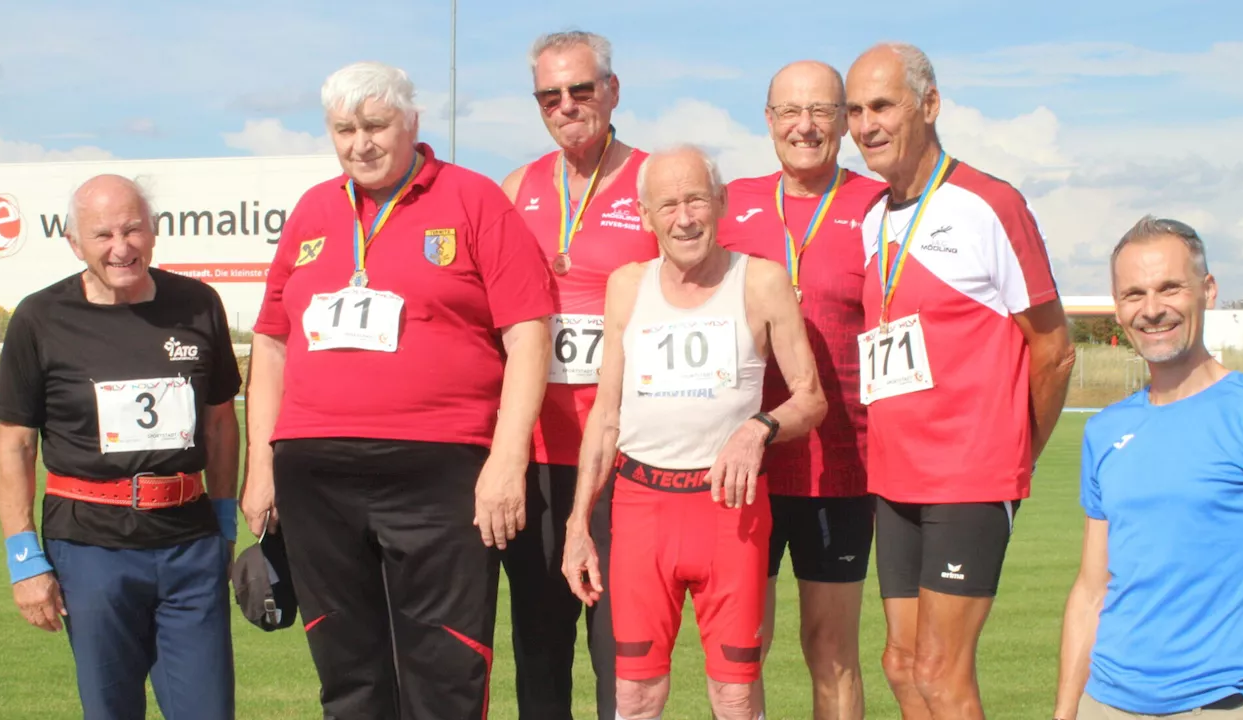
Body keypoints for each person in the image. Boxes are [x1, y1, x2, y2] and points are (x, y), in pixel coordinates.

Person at [239, 61, 555, 719]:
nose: (361, 143)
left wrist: (506, 459)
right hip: (315, 473)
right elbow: (270, 342)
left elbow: (528, 335)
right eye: (343, 129)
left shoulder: (472, 200)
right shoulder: (313, 210)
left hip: (439, 470)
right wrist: (261, 466)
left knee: (445, 670)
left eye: (376, 125)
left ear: (412, 122)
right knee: (348, 674)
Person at [845, 43, 1076, 719]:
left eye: (882, 105)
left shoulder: (990, 204)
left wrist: (1013, 458)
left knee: (944, 674)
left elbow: (1055, 351)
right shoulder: (870, 219)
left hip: (968, 478)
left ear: (930, 104)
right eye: (855, 110)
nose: (865, 125)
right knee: (901, 664)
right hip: (894, 478)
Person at [562, 145, 828, 720]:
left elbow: (810, 399)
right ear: (646, 216)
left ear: (721, 203)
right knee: (635, 694)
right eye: (668, 205)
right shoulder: (627, 287)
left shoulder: (760, 281)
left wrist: (759, 427)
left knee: (734, 694)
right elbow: (606, 417)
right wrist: (578, 523)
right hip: (641, 510)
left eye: (696, 201)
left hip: (728, 510)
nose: (684, 218)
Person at [0, 174, 241, 720]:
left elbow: (221, 423)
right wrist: (23, 559)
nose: (121, 247)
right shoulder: (40, 317)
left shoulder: (199, 304)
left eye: (132, 229)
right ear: (75, 243)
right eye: (102, 235)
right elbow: (15, 445)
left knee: (208, 710)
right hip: (89, 549)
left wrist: (224, 522)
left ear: (153, 232)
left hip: (190, 543)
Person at [499, 30, 659, 720]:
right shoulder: (516, 189)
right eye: (550, 95)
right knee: (538, 646)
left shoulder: (655, 183)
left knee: (620, 648)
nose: (566, 106)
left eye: (581, 90)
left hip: (625, 455)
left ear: (612, 91)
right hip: (537, 456)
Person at [719, 59, 885, 720]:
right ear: (768, 120)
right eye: (790, 111)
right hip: (745, 470)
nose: (805, 126)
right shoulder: (730, 204)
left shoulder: (876, 207)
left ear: (844, 121)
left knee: (832, 651)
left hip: (843, 470)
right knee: (739, 653)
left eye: (821, 111)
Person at [1053, 216, 1243, 720]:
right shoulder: (1105, 431)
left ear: (1207, 290)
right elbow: (1091, 588)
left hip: (1220, 702)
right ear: (1117, 308)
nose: (1153, 309)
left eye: (1170, 288)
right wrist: (1066, 711)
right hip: (1108, 701)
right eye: (1134, 294)